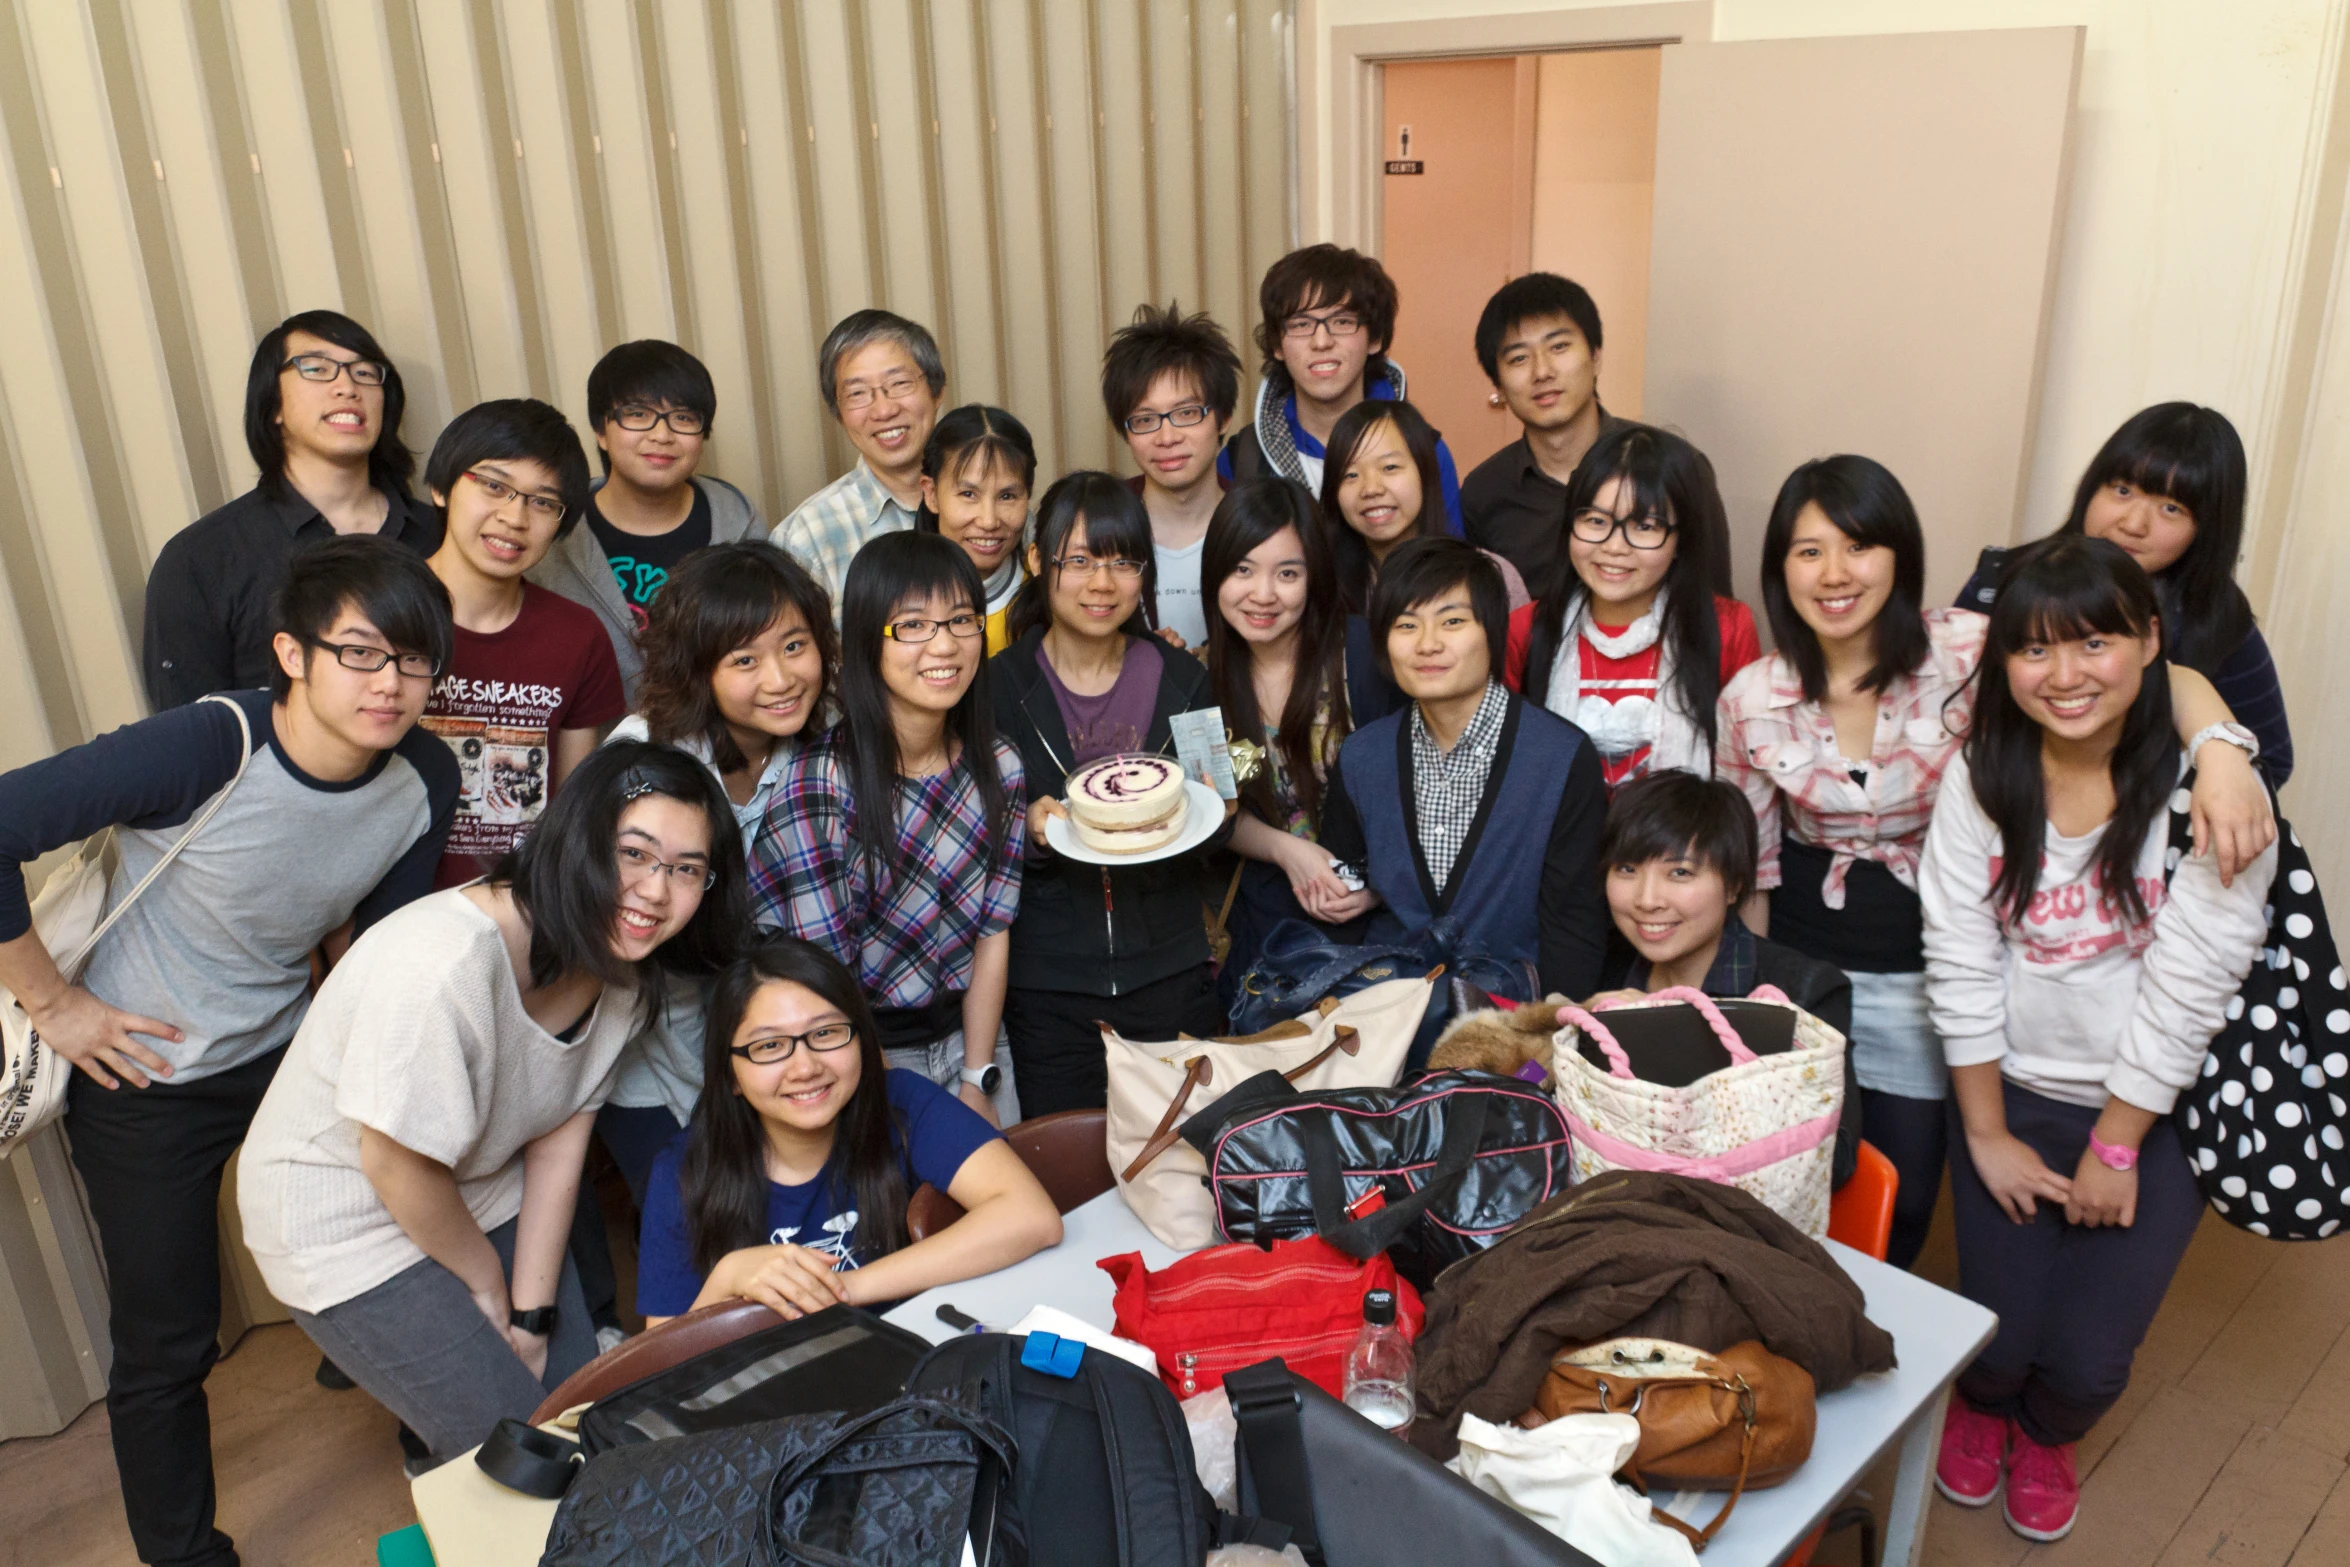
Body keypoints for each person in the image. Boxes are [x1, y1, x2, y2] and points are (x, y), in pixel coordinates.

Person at [0, 537, 458, 1567]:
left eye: (417, 660)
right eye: (362, 653)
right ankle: (181, 1550)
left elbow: (373, 951)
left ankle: (449, 1443)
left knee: (406, 1233)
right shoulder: (210, 744)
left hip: (289, 1050)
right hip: (144, 1077)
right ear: (292, 654)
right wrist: (59, 1004)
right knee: (167, 1338)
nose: (392, 684)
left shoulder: (425, 772)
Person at [1718, 455, 2274, 1267]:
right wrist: (1753, 1005)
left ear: (1901, 556)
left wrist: (2222, 751)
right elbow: (1753, 869)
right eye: (1808, 551)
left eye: (1859, 545)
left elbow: (2146, 673)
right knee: (1787, 1169)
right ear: (1780, 570)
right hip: (1807, 965)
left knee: (1906, 1190)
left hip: (1933, 969)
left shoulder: (1970, 649)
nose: (1835, 573)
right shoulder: (1750, 698)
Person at [236, 742, 745, 1472]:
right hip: (343, 1218)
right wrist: (483, 1283)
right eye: (634, 852)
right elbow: (392, 1160)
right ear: (576, 839)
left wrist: (531, 1314)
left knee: (578, 1409)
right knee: (510, 1447)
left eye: (686, 868)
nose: (656, 891)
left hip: (475, 1183)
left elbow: (558, 1146)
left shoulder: (626, 976)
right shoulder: (441, 962)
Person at [1922, 534, 2275, 1544]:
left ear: (2150, 640)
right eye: (2034, 650)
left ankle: (2046, 1431)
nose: (2065, 675)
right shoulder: (1983, 776)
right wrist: (1985, 1133)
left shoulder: (2214, 793)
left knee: (2085, 1363)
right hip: (2012, 1087)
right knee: (1995, 1338)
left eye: (2094, 643)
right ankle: (1985, 1406)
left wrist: (2115, 1146)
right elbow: (1958, 956)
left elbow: (2190, 986)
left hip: (2153, 1110)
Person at [636, 937, 1061, 1324]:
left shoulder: (902, 1104)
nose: (805, 1067)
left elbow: (1032, 1217)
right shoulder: (684, 1168)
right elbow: (660, 1370)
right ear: (730, 1074)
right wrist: (727, 1279)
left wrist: (846, 1289)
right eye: (769, 1046)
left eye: (826, 1033)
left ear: (861, 1040)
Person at [750, 532, 1025, 1127]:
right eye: (913, 626)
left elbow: (992, 933)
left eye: (961, 620)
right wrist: (887, 1101)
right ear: (865, 643)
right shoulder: (819, 784)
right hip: (853, 1048)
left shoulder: (1000, 766)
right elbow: (826, 977)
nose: (945, 645)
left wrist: (978, 1077)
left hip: (974, 1036)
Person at [602, 540, 837, 1199]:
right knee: (699, 1226)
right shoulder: (645, 759)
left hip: (769, 1047)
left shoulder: (823, 747)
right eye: (744, 659)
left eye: (795, 646)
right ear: (696, 669)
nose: (780, 677)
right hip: (644, 1046)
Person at [993, 473, 1231, 1113]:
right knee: (1064, 1174)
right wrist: (1029, 832)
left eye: (1125, 563)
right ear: (1038, 561)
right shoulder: (997, 688)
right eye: (1080, 561)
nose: (1103, 584)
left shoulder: (1186, 680)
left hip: (1172, 976)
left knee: (1182, 1167)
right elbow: (974, 832)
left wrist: (1206, 811)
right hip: (1048, 990)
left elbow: (1224, 814)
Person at [1317, 538, 1610, 1008]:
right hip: (1384, 1020)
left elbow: (1574, 928)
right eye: (1405, 625)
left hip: (1510, 1028)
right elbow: (1346, 902)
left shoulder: (1560, 757)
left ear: (1491, 632)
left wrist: (1546, 1040)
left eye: (1452, 622)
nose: (1427, 644)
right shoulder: (1362, 757)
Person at [1959, 403, 2293, 784]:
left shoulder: (2216, 618)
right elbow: (1942, 712)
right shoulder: (2000, 581)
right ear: (2091, 487)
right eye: (2121, 490)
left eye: (2171, 508)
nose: (2133, 524)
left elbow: (2271, 760)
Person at [143, 310, 441, 711]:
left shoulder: (442, 535)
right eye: (316, 368)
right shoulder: (201, 560)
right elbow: (191, 740)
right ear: (273, 407)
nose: (347, 386)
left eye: (366, 373)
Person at [1589, 770, 1860, 1187]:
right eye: (1626, 869)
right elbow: (1539, 1088)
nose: (1647, 900)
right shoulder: (1602, 969)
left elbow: (1835, 1159)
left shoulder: (1802, 993)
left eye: (1679, 873)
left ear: (1734, 885)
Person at [420, 400, 626, 889]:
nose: (515, 517)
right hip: (393, 914)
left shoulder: (578, 636)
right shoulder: (374, 618)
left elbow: (571, 810)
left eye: (543, 502)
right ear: (441, 487)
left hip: (523, 907)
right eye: (494, 485)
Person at [1506, 423, 1758, 790]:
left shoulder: (1727, 628)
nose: (1614, 546)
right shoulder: (1525, 629)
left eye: (1644, 526)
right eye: (1595, 521)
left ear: (1681, 538)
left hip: (1684, 843)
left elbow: (1745, 779)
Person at [529, 340, 770, 701]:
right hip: (596, 748)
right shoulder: (553, 531)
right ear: (600, 431)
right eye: (638, 414)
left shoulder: (740, 524)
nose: (662, 435)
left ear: (703, 435)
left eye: (684, 418)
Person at [1202, 479, 1358, 980]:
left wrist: (1374, 885)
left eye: (1287, 572)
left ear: (1314, 577)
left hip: (1369, 920)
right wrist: (1289, 851)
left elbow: (1414, 797)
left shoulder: (1360, 659)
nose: (1263, 595)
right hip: (1262, 928)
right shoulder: (1201, 682)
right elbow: (1214, 812)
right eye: (1242, 570)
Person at [1218, 244, 1464, 535]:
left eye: (1342, 321)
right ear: (1277, 344)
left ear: (1374, 338)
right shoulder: (1242, 458)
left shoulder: (1424, 450)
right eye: (1301, 324)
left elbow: (1449, 567)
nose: (1321, 341)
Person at [1461, 272, 1628, 596]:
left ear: (1595, 356)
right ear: (1498, 385)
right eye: (1519, 358)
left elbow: (1713, 613)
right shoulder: (1484, 492)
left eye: (1559, 346)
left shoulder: (1668, 467)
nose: (1542, 371)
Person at [774, 310, 946, 611]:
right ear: (838, 414)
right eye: (857, 393)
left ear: (937, 390)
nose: (883, 410)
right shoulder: (805, 538)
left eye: (900, 383)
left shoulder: (991, 503)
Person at [1103, 302, 1245, 646]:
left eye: (1186, 413)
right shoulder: (1099, 526)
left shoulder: (1261, 525)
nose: (1167, 438)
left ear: (1223, 417)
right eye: (1145, 420)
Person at [1324, 398, 1529, 615]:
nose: (1371, 489)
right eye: (1350, 474)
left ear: (1425, 472)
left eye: (1390, 467)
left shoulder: (1491, 578)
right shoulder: (1318, 584)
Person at [916, 404, 1034, 654]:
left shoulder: (1046, 596)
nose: (989, 521)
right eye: (969, 494)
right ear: (932, 494)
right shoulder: (898, 598)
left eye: (1007, 496)